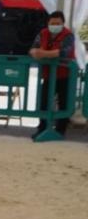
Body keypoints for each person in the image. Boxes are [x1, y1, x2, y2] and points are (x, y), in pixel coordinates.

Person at [29, 10, 75, 139]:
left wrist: (42, 53)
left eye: (58, 23)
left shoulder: (68, 35)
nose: (55, 25)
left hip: (65, 76)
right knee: (43, 102)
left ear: (63, 24)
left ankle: (60, 131)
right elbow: (32, 49)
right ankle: (41, 129)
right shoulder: (43, 33)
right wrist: (39, 52)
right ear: (48, 23)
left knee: (64, 104)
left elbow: (63, 53)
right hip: (48, 76)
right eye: (52, 23)